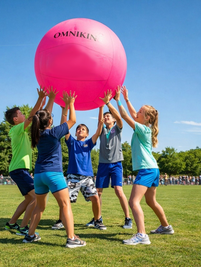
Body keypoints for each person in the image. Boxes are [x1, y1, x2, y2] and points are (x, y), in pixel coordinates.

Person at [23, 90, 86, 248]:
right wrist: (71, 102)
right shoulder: (54, 133)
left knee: (39, 206)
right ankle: (71, 238)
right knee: (65, 205)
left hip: (39, 175)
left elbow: (44, 116)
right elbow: (73, 120)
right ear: (50, 122)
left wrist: (50, 98)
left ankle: (30, 235)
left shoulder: (36, 133)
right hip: (53, 174)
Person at [115, 85, 174, 245]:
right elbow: (133, 114)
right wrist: (126, 99)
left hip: (147, 169)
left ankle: (142, 235)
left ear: (147, 118)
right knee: (151, 202)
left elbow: (127, 117)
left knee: (133, 202)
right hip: (153, 169)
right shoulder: (145, 128)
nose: (137, 113)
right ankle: (166, 226)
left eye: (140, 112)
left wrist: (117, 101)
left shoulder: (142, 129)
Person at [52, 106, 106, 231]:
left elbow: (98, 131)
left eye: (83, 129)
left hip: (87, 177)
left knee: (95, 198)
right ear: (75, 132)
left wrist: (101, 107)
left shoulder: (89, 143)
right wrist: (64, 110)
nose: (80, 130)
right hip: (73, 176)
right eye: (78, 129)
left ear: (87, 133)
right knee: (66, 201)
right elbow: (64, 126)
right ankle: (61, 220)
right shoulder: (71, 141)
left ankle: (97, 220)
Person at [4, 87, 46, 235]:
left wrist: (41, 106)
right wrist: (40, 99)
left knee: (29, 199)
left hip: (20, 170)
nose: (23, 115)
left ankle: (11, 223)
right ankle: (23, 228)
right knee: (36, 197)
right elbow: (31, 117)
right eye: (20, 113)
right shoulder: (16, 130)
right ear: (15, 119)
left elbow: (34, 118)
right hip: (19, 169)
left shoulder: (20, 131)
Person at [91, 89, 132, 229]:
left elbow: (120, 118)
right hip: (103, 164)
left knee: (118, 191)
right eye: (106, 116)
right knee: (98, 193)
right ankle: (97, 218)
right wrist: (101, 106)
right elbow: (99, 121)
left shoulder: (117, 127)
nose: (107, 117)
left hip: (116, 164)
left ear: (113, 119)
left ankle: (128, 218)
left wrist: (108, 103)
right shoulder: (102, 130)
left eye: (109, 116)